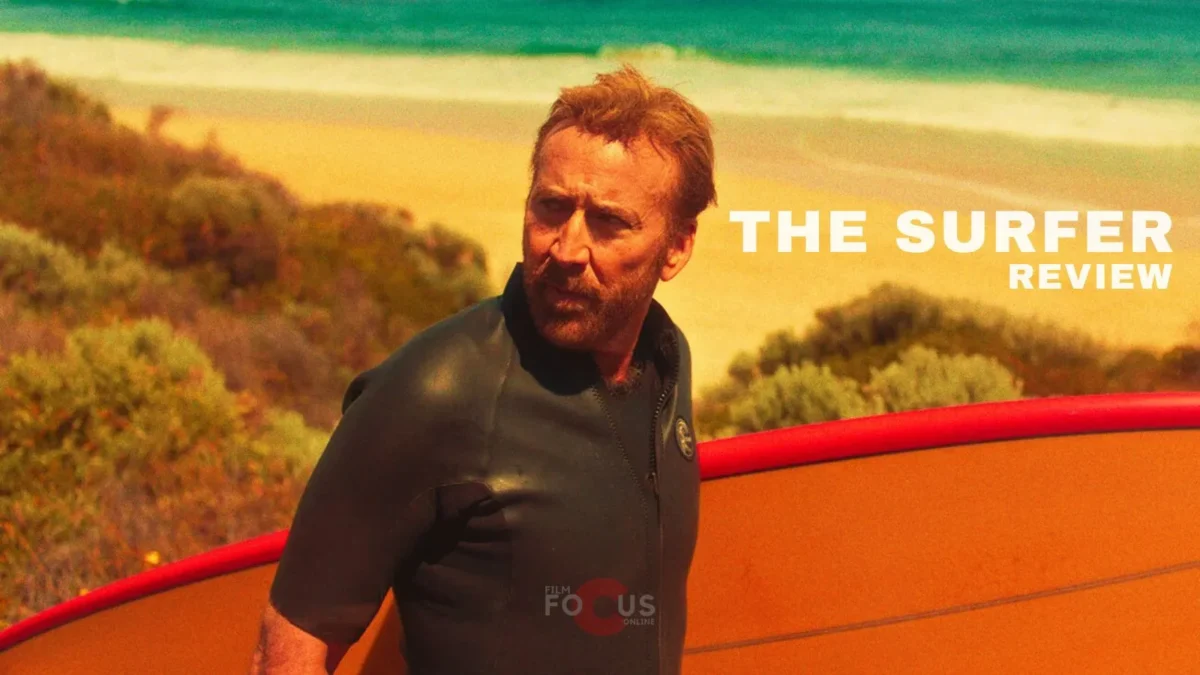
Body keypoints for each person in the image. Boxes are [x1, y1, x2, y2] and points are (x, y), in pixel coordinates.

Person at [249, 64, 717, 675]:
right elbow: (288, 646)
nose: (566, 249)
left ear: (677, 246)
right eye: (551, 207)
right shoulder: (436, 389)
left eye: (609, 222)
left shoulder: (666, 361)